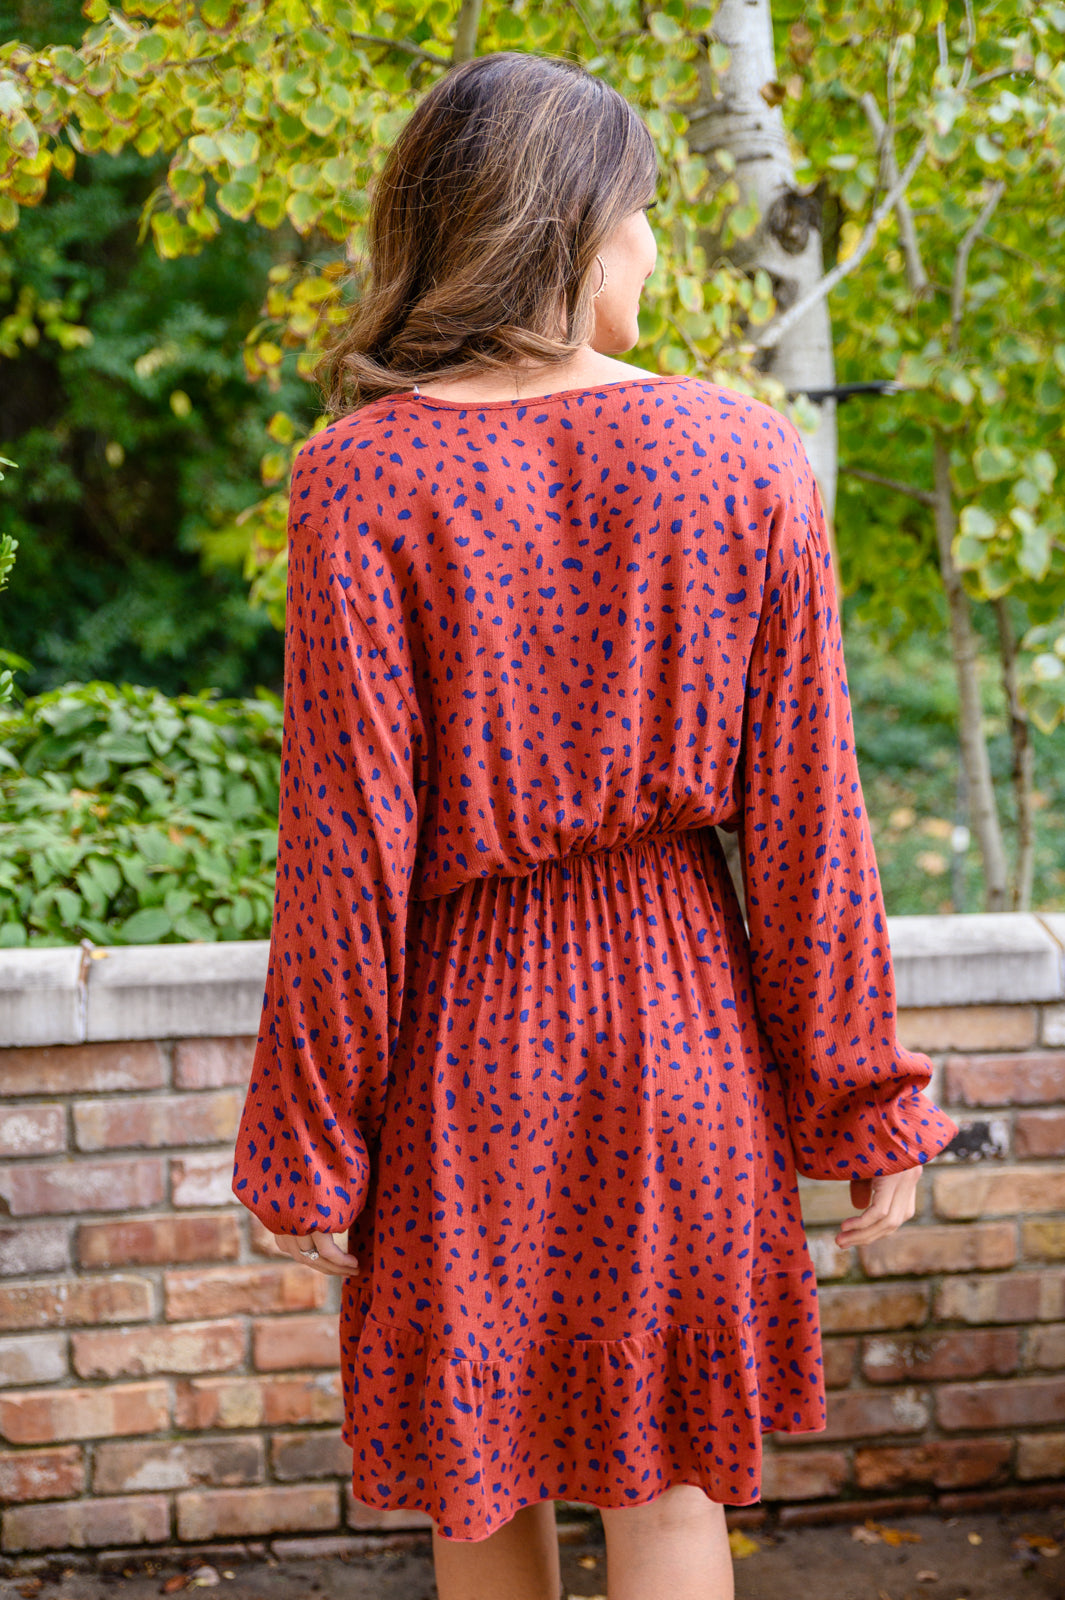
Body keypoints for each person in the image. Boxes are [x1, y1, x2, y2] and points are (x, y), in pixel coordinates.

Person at [231, 50, 960, 1600]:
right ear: (567, 227)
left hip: (461, 1042)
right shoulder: (739, 454)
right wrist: (859, 1095)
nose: (652, 244)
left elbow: (343, 857)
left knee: (473, 1475)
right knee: (670, 1479)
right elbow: (810, 822)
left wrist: (311, 1142)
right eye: (639, 210)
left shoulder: (358, 478)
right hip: (681, 1025)